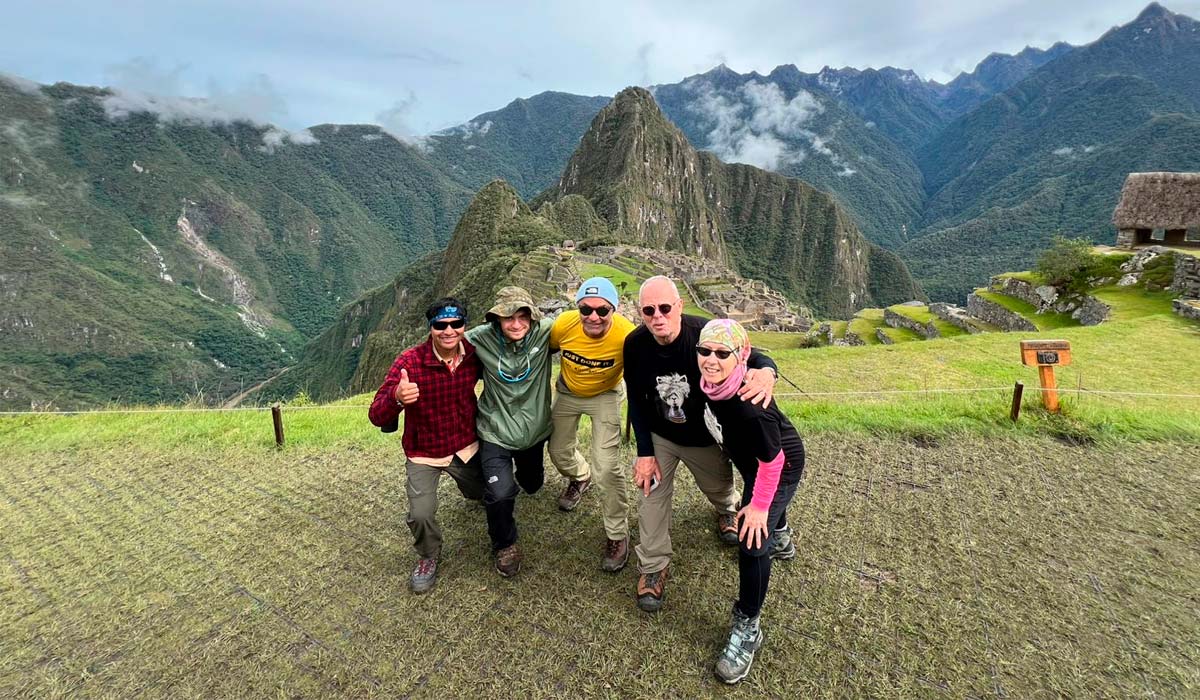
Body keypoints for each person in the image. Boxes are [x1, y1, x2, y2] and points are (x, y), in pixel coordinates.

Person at [623, 275, 780, 613]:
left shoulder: (704, 334)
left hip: (703, 436)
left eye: (665, 308)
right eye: (649, 310)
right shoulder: (635, 344)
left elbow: (751, 354)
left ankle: (726, 509)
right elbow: (636, 399)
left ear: (679, 307)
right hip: (662, 435)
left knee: (719, 489)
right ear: (641, 312)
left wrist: (768, 371)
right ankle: (652, 567)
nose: (658, 317)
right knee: (650, 495)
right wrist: (645, 453)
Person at [696, 318, 805, 684]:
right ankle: (784, 536)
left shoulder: (748, 403)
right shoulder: (712, 384)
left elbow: (772, 462)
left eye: (722, 353)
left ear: (740, 357)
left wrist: (758, 508)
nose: (711, 360)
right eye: (704, 351)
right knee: (765, 517)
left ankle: (748, 626)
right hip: (753, 459)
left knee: (751, 538)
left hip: (779, 466)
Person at [368, 298, 485, 594]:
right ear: (431, 328)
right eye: (440, 325)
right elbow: (376, 413)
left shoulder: (474, 354)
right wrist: (397, 397)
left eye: (455, 324)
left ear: (464, 326)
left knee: (487, 492)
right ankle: (429, 555)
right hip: (425, 452)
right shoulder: (409, 362)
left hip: (465, 446)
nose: (449, 331)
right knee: (420, 514)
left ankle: (481, 494)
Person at [548, 276, 637, 571]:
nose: (594, 317)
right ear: (578, 308)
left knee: (607, 466)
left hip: (606, 394)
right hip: (567, 390)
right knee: (559, 451)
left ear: (615, 309)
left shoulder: (627, 335)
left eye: (602, 310)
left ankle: (617, 533)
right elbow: (537, 349)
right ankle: (579, 476)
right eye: (586, 309)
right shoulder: (563, 324)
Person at [465, 286, 555, 578]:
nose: (516, 324)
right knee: (502, 494)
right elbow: (441, 344)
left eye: (523, 317)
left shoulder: (545, 333)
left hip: (533, 432)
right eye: (509, 318)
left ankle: (510, 481)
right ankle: (505, 544)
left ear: (532, 318)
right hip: (495, 431)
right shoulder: (480, 339)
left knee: (532, 484)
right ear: (497, 320)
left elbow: (585, 327)